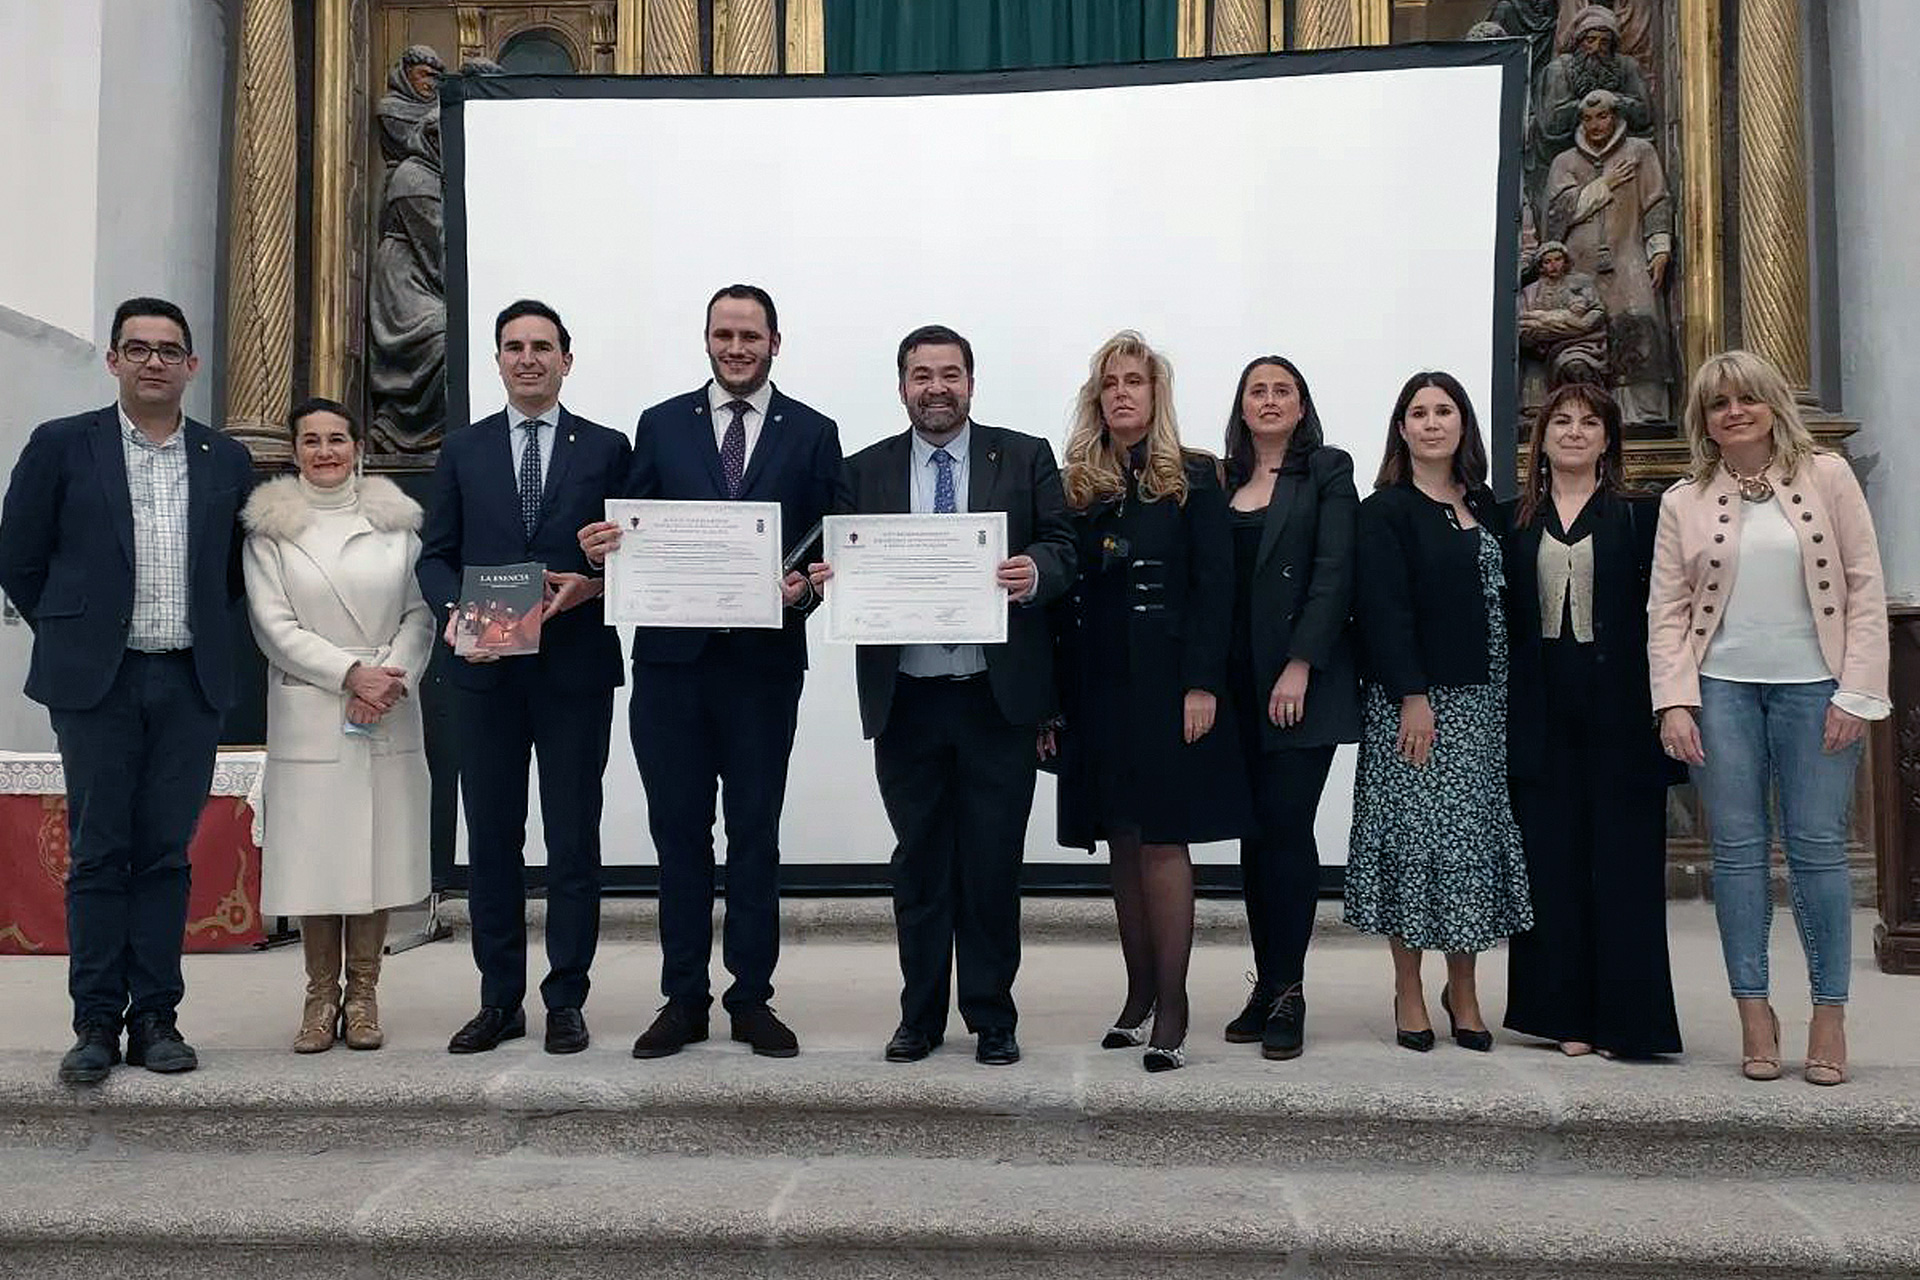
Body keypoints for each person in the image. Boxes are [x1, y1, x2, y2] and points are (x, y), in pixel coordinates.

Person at [579, 285, 843, 1060]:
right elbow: (636, 526)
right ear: (706, 339)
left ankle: (751, 998)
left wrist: (804, 592)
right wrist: (604, 548)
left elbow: (828, 540)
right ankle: (683, 998)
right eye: (724, 334)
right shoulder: (661, 425)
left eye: (750, 335)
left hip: (763, 668)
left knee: (755, 836)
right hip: (671, 669)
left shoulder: (814, 432)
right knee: (679, 839)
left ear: (775, 343)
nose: (736, 347)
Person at [0, 297, 254, 1084]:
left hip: (187, 678)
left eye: (169, 350)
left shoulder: (225, 459)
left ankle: (156, 1019)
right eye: (137, 348)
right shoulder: (62, 444)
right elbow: (20, 557)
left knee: (167, 855)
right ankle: (94, 1023)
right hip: (98, 685)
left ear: (191, 366)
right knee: (101, 852)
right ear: (112, 360)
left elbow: (234, 575)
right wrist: (75, 632)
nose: (153, 361)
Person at [808, 325, 1075, 1067]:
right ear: (901, 387)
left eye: (950, 374)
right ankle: (919, 1016)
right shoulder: (863, 471)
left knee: (991, 865)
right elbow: (826, 559)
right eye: (921, 375)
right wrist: (829, 579)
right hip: (909, 700)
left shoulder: (1022, 458)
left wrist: (1036, 572)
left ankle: (992, 1015)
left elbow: (1063, 547)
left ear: (970, 383)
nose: (936, 388)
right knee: (919, 865)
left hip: (997, 698)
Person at [1648, 350, 1889, 1086]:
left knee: (1816, 850)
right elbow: (1668, 611)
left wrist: (1856, 690)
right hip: (1721, 689)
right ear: (1705, 421)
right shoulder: (1684, 499)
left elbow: (1864, 585)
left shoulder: (1827, 476)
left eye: (1747, 398)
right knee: (1738, 855)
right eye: (1719, 404)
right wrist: (1674, 701)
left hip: (1815, 687)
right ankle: (1754, 1010)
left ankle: (1829, 1012)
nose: (1735, 412)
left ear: (1771, 404)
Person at [417, 299, 632, 1057]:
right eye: (514, 347)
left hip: (575, 672)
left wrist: (597, 578)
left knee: (574, 839)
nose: (528, 358)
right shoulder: (463, 450)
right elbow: (435, 555)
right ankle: (498, 998)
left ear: (567, 360)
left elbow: (633, 553)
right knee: (495, 841)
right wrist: (451, 611)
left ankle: (566, 998)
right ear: (499, 360)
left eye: (544, 346)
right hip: (485, 673)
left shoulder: (608, 447)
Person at [1049, 330, 1248, 1073]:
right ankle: (1136, 998)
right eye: (1111, 383)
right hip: (1098, 687)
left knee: (1165, 839)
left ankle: (1174, 1004)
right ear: (1097, 400)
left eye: (1136, 380)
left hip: (1170, 687)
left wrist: (1203, 683)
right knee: (1122, 842)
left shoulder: (1195, 477)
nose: (1123, 392)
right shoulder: (1078, 484)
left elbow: (1215, 589)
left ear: (1156, 395)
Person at [1346, 371, 1531, 1054]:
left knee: (1468, 849)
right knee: (1414, 844)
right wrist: (1413, 697)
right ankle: (1409, 989)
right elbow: (1384, 611)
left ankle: (1466, 987)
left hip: (1484, 704)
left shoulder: (1484, 503)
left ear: (1463, 424)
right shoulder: (1386, 509)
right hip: (1416, 705)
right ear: (1401, 428)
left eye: (1443, 410)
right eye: (1417, 412)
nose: (1431, 423)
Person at [242, 398, 434, 1053]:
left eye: (337, 440)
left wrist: (389, 678)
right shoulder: (270, 532)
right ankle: (321, 996)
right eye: (311, 441)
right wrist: (351, 674)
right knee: (317, 860)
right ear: (293, 452)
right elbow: (273, 626)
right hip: (316, 708)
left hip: (386, 706)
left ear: (359, 448)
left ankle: (366, 993)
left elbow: (420, 615)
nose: (325, 452)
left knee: (374, 855)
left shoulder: (398, 527)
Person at [1502, 383, 1682, 1059]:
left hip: (1623, 716)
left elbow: (1667, 614)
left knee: (1626, 867)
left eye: (1589, 423)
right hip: (1539, 717)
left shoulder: (1644, 516)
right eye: (1562, 422)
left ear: (1610, 440)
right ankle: (1563, 1017)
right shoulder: (1509, 520)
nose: (1574, 432)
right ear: (1541, 439)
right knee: (1552, 865)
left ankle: (1628, 1023)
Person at [1218, 356, 1360, 1061]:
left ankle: (1290, 993)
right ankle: (1266, 981)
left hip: (1303, 687)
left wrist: (1300, 664)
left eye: (1283, 391)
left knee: (1286, 828)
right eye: (1258, 391)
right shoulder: (1219, 480)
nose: (1270, 401)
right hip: (1237, 690)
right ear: (1241, 408)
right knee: (1254, 835)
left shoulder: (1328, 470)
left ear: (1302, 407)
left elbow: (1335, 572)